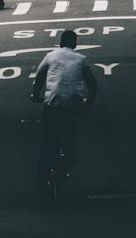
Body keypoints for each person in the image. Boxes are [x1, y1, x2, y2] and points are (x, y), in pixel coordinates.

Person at [30, 28, 98, 185]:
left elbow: (39, 77)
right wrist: (87, 105)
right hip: (72, 105)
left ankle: (42, 179)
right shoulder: (81, 59)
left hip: (52, 103)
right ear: (75, 44)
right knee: (69, 133)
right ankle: (67, 153)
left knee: (47, 142)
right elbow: (93, 86)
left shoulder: (51, 56)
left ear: (60, 43)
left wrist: (35, 95)